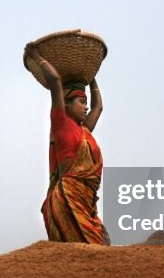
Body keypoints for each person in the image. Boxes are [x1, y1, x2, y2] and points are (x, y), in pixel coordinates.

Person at [25, 43, 110, 245]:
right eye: (81, 102)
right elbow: (55, 81)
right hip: (68, 200)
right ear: (67, 104)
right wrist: (36, 56)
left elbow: (99, 106)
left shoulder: (84, 131)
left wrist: (91, 77)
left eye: (85, 102)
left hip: (86, 201)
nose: (86, 107)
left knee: (98, 247)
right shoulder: (61, 123)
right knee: (84, 250)